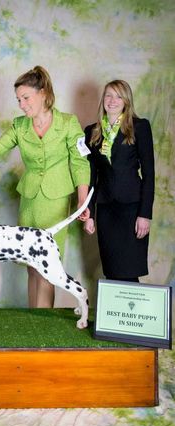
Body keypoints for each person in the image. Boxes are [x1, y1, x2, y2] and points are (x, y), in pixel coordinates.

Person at [0, 66, 90, 308]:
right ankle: (34, 319)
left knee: (47, 267)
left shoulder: (68, 123)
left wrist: (82, 200)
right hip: (29, 202)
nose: (21, 104)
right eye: (18, 100)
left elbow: (81, 163)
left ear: (43, 93)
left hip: (56, 202)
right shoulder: (20, 126)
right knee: (31, 266)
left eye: (26, 98)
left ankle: (43, 322)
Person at [84, 79, 155, 282]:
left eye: (118, 96)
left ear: (126, 101)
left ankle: (133, 313)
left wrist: (145, 214)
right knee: (112, 269)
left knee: (130, 269)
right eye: (108, 95)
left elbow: (149, 174)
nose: (112, 100)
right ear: (103, 100)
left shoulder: (140, 127)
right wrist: (89, 214)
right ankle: (114, 314)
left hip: (132, 208)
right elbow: (91, 175)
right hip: (106, 209)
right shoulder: (92, 131)